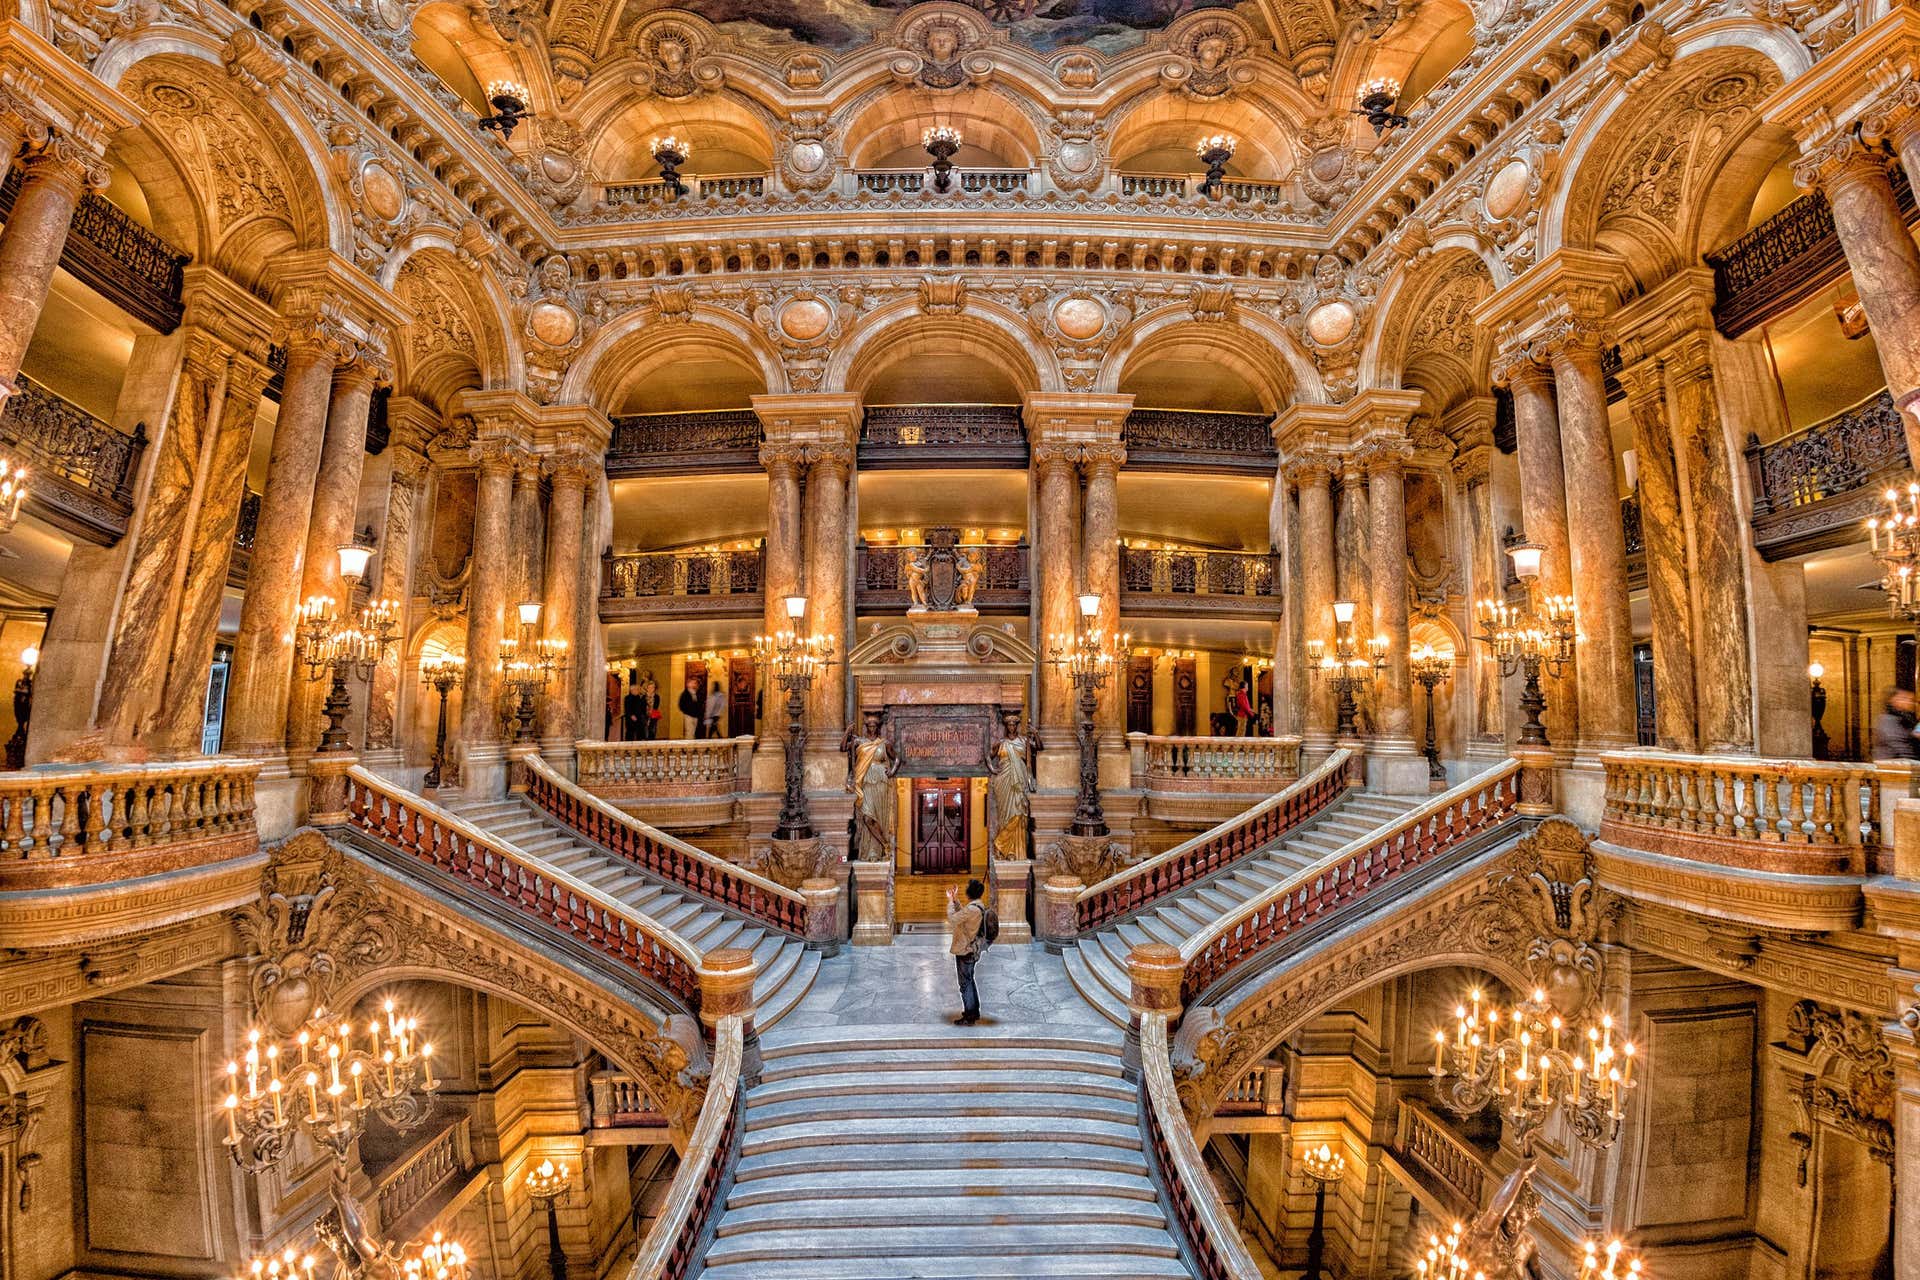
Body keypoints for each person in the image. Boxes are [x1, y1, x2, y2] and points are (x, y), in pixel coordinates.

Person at [843, 710, 899, 862]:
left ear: (878, 727)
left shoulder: (884, 743)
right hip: (865, 781)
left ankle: (878, 851)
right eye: (869, 725)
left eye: (874, 725)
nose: (872, 728)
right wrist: (847, 732)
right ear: (866, 726)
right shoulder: (859, 742)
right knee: (868, 818)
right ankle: (885, 845)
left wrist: (892, 770)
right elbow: (843, 748)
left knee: (879, 817)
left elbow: (897, 758)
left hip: (881, 782)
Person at [945, 879, 988, 1025]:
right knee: (970, 980)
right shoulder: (978, 906)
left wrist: (950, 902)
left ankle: (969, 1015)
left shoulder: (972, 909)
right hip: (971, 947)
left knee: (965, 983)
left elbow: (953, 919)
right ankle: (973, 1011)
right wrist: (956, 900)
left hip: (965, 949)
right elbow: (964, 915)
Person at [1874, 687, 1919, 760]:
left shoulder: (1907, 718)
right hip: (1894, 764)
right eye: (1905, 698)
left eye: (1912, 700)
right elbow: (1900, 746)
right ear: (1894, 700)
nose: (1910, 702)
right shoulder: (1887, 719)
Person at [640, 674, 662, 740]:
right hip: (644, 715)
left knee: (653, 729)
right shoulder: (643, 697)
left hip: (654, 714)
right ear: (647, 688)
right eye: (649, 687)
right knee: (645, 729)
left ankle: (652, 741)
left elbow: (656, 706)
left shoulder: (657, 696)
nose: (651, 689)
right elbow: (642, 707)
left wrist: (651, 715)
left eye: (653, 687)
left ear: (654, 688)